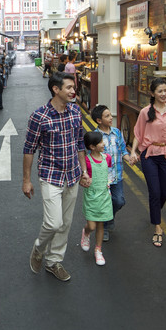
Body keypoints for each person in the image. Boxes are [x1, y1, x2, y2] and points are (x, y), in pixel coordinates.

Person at [22, 71, 90, 282]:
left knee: (66, 223)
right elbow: (29, 149)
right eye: (69, 87)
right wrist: (26, 180)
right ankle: (38, 248)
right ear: (56, 89)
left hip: (72, 175)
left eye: (73, 87)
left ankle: (53, 261)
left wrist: (84, 171)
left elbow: (80, 143)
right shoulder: (39, 116)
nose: (73, 91)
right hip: (50, 175)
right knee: (53, 223)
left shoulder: (75, 112)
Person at [129, 77, 166, 248]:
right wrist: (133, 152)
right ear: (152, 93)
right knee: (154, 192)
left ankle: (155, 212)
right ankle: (158, 227)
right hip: (150, 155)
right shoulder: (145, 112)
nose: (164, 94)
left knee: (164, 192)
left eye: (165, 90)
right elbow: (138, 135)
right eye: (160, 91)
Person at [92, 104, 126, 241]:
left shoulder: (117, 132)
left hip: (117, 177)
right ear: (99, 120)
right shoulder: (94, 136)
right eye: (107, 116)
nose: (111, 117)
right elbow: (92, 157)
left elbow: (123, 150)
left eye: (110, 115)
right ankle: (104, 227)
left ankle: (110, 218)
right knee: (104, 204)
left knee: (119, 201)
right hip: (103, 179)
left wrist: (130, 157)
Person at [79, 131, 113, 266]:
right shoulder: (86, 161)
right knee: (92, 225)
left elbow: (108, 173)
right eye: (100, 142)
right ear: (92, 147)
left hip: (105, 196)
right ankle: (86, 233)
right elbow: (82, 177)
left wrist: (109, 183)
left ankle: (98, 250)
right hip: (92, 197)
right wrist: (83, 180)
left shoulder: (107, 158)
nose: (103, 144)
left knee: (101, 224)